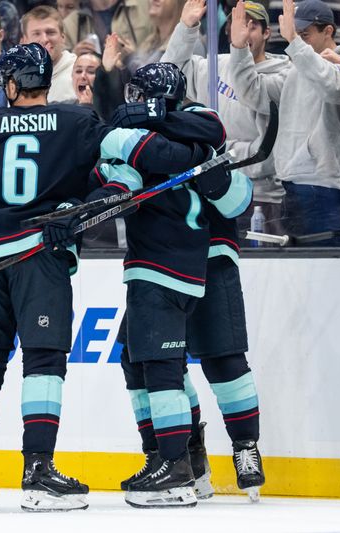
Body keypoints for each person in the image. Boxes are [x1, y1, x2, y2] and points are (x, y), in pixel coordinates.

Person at [0, 43, 213, 512]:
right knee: (43, 361)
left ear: (12, 84)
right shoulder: (78, 122)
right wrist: (198, 145)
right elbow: (143, 159)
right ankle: (38, 471)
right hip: (40, 254)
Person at [95, 62, 250, 508]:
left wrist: (150, 122)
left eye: (137, 95)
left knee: (178, 363)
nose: (129, 102)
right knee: (138, 359)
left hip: (164, 260)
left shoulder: (183, 125)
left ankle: (177, 463)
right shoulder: (197, 134)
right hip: (177, 261)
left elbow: (149, 148)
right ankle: (182, 458)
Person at [229, 0, 340, 245]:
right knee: (298, 277)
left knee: (325, 271)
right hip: (289, 186)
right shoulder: (295, 68)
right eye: (296, 35)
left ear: (328, 31)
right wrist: (238, 48)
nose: (298, 41)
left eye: (304, 35)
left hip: (325, 186)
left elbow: (334, 87)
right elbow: (253, 92)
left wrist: (295, 44)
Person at [162, 0, 289, 234]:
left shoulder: (283, 76)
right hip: (210, 192)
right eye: (237, 25)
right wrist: (185, 29)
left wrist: (214, 155)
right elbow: (168, 78)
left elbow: (268, 153)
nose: (243, 32)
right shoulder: (214, 66)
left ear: (267, 33)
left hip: (259, 199)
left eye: (251, 26)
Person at [21, 6, 77, 102]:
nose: (44, 39)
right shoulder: (17, 78)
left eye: (50, 32)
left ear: (63, 37)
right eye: (36, 34)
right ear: (24, 41)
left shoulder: (78, 71)